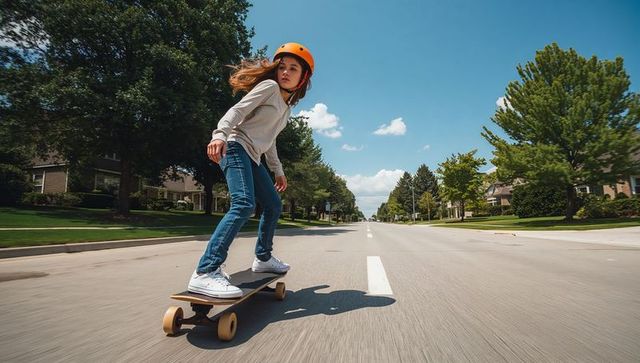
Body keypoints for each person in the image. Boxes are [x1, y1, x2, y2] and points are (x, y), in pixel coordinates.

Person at [187, 42, 315, 298]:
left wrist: (278, 170)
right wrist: (219, 135)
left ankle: (263, 258)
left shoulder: (286, 109)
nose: (285, 72)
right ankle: (205, 271)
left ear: (303, 79)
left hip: (252, 157)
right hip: (234, 146)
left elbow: (270, 140)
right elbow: (237, 110)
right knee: (244, 204)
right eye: (282, 67)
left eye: (293, 69)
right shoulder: (268, 87)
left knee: (273, 205)